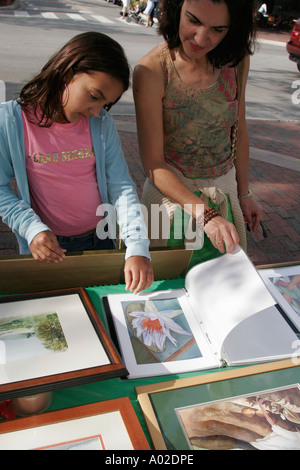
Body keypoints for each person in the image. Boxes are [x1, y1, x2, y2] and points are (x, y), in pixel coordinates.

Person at [0, 32, 153, 294]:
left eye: (105, 104)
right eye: (94, 96)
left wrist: (137, 246)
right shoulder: (12, 121)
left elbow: (122, 187)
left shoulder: (101, 124)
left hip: (102, 237)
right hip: (49, 247)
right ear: (67, 72)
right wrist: (31, 228)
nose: (96, 111)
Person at [133, 0, 263, 268]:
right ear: (176, 9)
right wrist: (206, 215)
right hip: (171, 203)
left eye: (217, 29)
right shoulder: (152, 70)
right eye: (193, 20)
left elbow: (238, 128)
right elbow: (153, 164)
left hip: (223, 195)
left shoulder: (237, 61)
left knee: (226, 285)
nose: (201, 38)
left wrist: (244, 192)